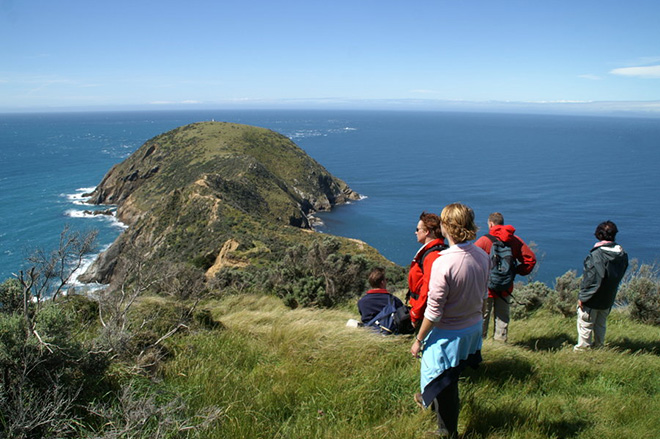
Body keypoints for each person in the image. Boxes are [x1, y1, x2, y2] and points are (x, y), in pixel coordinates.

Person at [410, 203, 490, 438]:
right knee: (450, 377)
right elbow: (483, 297)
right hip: (472, 328)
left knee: (444, 382)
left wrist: (418, 339)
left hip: (448, 334)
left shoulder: (443, 261)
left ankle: (447, 432)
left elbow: (434, 312)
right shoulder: (482, 255)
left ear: (446, 226)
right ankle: (435, 408)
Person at [475, 212, 537, 342]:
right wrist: (515, 271)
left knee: (482, 319)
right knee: (502, 318)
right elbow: (530, 260)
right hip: (505, 286)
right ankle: (501, 347)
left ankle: (480, 348)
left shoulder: (484, 241)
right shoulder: (514, 240)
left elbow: (469, 261)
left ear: (490, 224)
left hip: (487, 288)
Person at [574, 221, 628, 351]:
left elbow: (591, 279)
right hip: (608, 296)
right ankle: (599, 347)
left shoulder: (597, 255)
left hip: (593, 298)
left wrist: (583, 297)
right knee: (601, 324)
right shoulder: (622, 254)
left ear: (598, 234)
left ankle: (583, 350)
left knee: (585, 325)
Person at [407, 212, 447, 328]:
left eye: (418, 229)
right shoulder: (434, 251)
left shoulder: (432, 255)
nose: (415, 232)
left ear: (427, 232)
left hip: (424, 312)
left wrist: (416, 314)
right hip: (423, 309)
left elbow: (428, 288)